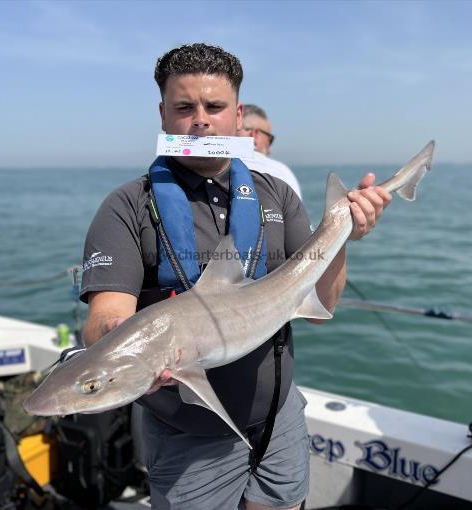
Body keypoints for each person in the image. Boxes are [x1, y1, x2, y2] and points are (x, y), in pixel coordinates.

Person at [80, 43, 390, 510]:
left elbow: (322, 310)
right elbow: (105, 316)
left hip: (279, 415)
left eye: (214, 106)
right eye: (184, 107)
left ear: (237, 115)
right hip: (189, 437)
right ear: (163, 114)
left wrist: (343, 234)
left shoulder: (278, 195)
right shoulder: (126, 207)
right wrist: (126, 343)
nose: (200, 119)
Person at [237, 104, 303, 199]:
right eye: (270, 139)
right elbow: (296, 212)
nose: (270, 149)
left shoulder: (214, 166)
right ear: (255, 134)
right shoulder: (281, 173)